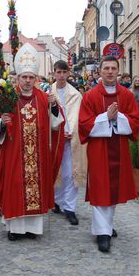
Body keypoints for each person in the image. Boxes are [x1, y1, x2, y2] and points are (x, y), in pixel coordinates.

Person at [0, 43, 65, 241]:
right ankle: (14, 229)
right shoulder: (7, 97)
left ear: (36, 79)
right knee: (14, 186)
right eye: (24, 77)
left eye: (31, 77)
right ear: (18, 77)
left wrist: (54, 106)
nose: (28, 81)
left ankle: (32, 228)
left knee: (35, 187)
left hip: (37, 155)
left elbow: (55, 125)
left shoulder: (43, 97)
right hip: (14, 154)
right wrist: (2, 124)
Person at [79, 55, 139, 253]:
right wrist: (106, 117)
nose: (110, 72)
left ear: (118, 71)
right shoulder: (90, 96)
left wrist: (118, 118)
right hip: (99, 150)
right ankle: (102, 234)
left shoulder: (126, 95)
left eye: (113, 68)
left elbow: (136, 120)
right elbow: (84, 124)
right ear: (100, 71)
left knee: (113, 190)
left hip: (119, 148)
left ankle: (106, 225)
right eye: (106, 68)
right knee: (100, 188)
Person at [50, 60, 86, 225]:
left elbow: (79, 116)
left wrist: (72, 131)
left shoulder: (75, 94)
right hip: (55, 138)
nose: (62, 76)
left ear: (68, 73)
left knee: (71, 173)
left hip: (72, 139)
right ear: (54, 73)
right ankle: (57, 200)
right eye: (59, 72)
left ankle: (70, 207)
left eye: (65, 73)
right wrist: (58, 131)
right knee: (56, 171)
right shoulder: (48, 93)